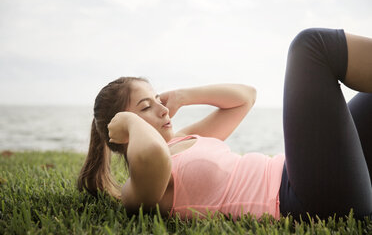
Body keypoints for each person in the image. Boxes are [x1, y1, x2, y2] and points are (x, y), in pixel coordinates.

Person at [77, 28, 372, 221]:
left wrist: (184, 95)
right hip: (304, 201)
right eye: (146, 106)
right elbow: (151, 155)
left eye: (157, 98)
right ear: (123, 132)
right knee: (310, 47)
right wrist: (129, 122)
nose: (162, 108)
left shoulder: (181, 141)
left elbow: (245, 97)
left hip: (307, 177)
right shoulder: (138, 187)